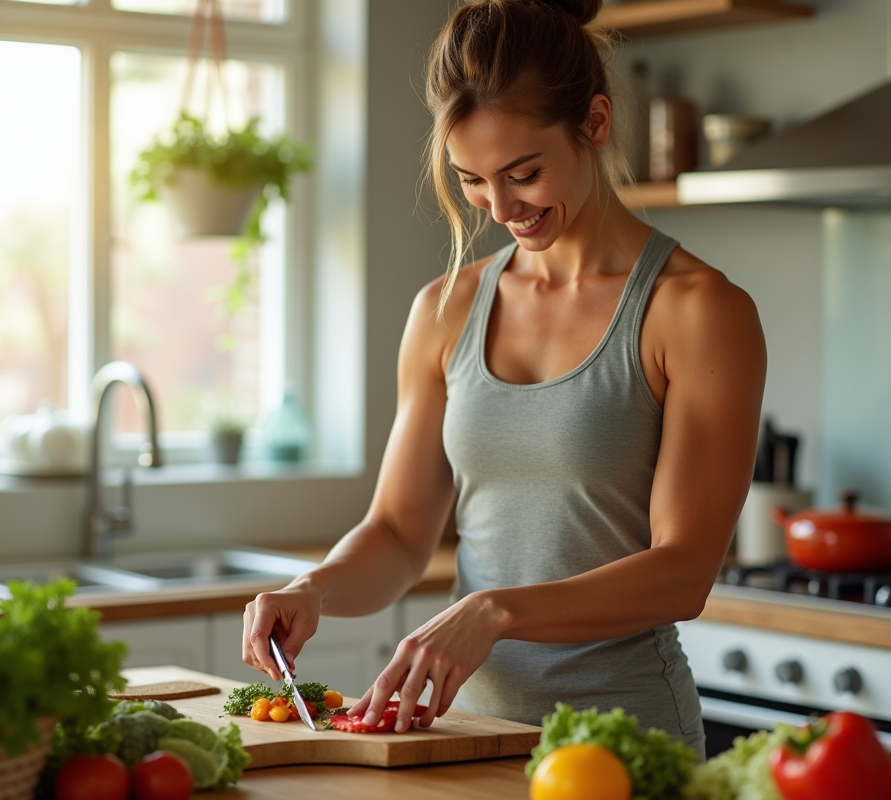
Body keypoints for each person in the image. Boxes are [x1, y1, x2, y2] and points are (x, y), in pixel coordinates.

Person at [242, 0, 765, 757]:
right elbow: (397, 532)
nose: (500, 206)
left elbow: (683, 572)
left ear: (594, 122)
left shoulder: (697, 311)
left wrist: (495, 610)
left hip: (621, 743)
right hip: (462, 740)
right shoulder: (445, 309)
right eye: (473, 181)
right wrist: (312, 589)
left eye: (524, 173)